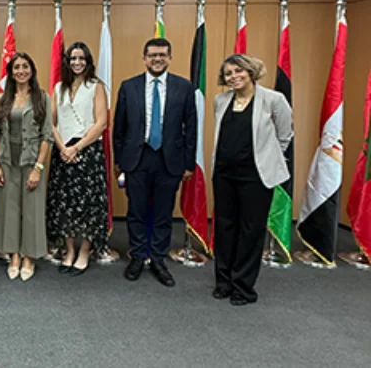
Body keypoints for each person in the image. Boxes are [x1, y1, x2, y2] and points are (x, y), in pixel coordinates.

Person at [112, 38, 196, 287]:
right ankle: (137, 256)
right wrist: (119, 161)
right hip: (137, 159)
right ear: (144, 57)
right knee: (136, 211)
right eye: (152, 55)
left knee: (163, 212)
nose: (157, 59)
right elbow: (119, 128)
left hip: (169, 160)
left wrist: (189, 164)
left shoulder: (184, 87)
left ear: (170, 57)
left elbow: (190, 128)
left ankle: (158, 258)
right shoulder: (129, 87)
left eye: (162, 55)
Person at [211, 54, 292, 306]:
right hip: (224, 174)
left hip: (256, 177)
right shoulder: (220, 100)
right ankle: (223, 282)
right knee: (224, 228)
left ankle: (242, 287)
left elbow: (285, 135)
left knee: (250, 230)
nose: (233, 76)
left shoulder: (273, 99)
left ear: (251, 71)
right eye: (228, 74)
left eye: (238, 71)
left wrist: (268, 160)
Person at [47, 42, 109, 276]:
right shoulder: (59, 88)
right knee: (65, 205)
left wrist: (77, 148)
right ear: (67, 61)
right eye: (73, 58)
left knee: (88, 205)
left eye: (81, 58)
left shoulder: (96, 87)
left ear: (88, 61)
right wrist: (63, 147)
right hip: (62, 151)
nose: (77, 63)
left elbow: (101, 122)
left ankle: (85, 251)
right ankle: (69, 250)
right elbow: (51, 123)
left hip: (88, 151)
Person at [0, 52, 53, 282]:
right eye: (16, 67)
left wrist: (38, 167)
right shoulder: (3, 99)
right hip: (8, 159)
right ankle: (14, 255)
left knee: (32, 209)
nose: (21, 71)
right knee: (9, 208)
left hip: (31, 159)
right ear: (11, 72)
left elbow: (47, 136)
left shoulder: (42, 98)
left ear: (32, 70)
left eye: (25, 66)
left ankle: (29, 257)